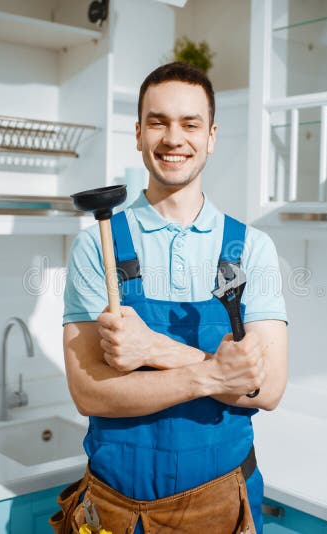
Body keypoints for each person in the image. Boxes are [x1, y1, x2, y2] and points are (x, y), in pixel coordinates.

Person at [55, 62, 288, 534]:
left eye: (190, 123)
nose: (173, 138)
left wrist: (155, 350)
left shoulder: (251, 249)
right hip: (115, 508)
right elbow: (89, 393)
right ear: (139, 133)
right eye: (158, 122)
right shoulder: (97, 243)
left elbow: (267, 390)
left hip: (224, 505)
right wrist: (213, 375)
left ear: (211, 136)